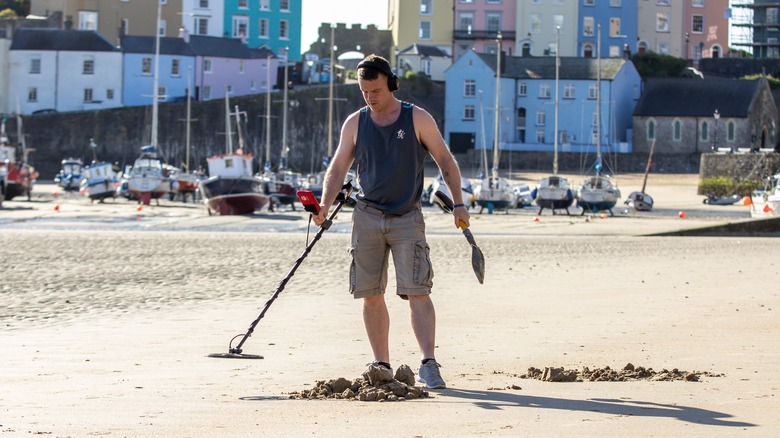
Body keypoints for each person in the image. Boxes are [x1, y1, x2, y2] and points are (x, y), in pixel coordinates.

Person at [312, 54, 470, 389]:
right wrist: (323, 204)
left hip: (407, 217)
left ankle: (428, 364)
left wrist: (458, 203)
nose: (370, 97)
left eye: (376, 90)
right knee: (370, 293)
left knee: (417, 291)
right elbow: (338, 167)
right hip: (366, 216)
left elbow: (445, 160)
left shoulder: (417, 118)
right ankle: (381, 364)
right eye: (364, 91)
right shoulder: (356, 122)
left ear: (391, 83)